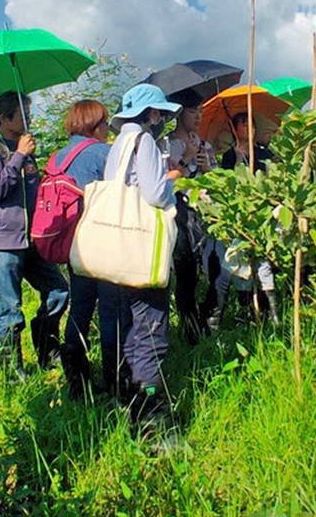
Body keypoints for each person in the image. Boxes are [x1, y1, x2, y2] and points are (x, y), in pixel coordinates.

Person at [105, 84, 182, 452]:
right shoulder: (145, 143)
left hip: (118, 251)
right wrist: (172, 185)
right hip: (141, 250)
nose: (164, 121)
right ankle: (154, 421)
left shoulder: (119, 144)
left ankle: (130, 406)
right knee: (151, 333)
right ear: (151, 115)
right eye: (162, 115)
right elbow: (153, 193)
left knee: (131, 328)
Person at [0, 91, 70, 383]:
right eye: (23, 114)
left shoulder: (25, 149)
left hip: (32, 239)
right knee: (8, 305)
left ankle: (46, 349)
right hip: (4, 240)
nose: (29, 119)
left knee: (58, 291)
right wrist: (18, 156)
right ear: (5, 119)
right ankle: (11, 370)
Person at [51, 100, 127, 402]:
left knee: (80, 308)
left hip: (73, 242)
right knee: (111, 310)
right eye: (105, 122)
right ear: (95, 124)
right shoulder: (102, 152)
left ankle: (77, 384)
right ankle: (114, 382)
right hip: (103, 241)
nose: (108, 128)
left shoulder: (59, 157)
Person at [159, 90, 217, 344]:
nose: (198, 116)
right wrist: (188, 158)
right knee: (184, 272)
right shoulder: (165, 144)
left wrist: (206, 168)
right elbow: (163, 182)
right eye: (194, 111)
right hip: (178, 213)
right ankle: (189, 328)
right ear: (180, 114)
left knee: (211, 269)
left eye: (201, 111)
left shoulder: (206, 144)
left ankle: (207, 319)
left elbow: (216, 181)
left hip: (203, 213)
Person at [213, 112, 281, 325]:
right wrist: (239, 160)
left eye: (252, 124)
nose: (249, 128)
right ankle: (245, 310)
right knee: (241, 262)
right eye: (244, 124)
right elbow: (228, 184)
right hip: (241, 214)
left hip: (262, 213)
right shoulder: (229, 155)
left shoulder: (264, 153)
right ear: (235, 129)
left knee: (264, 261)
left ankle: (272, 313)